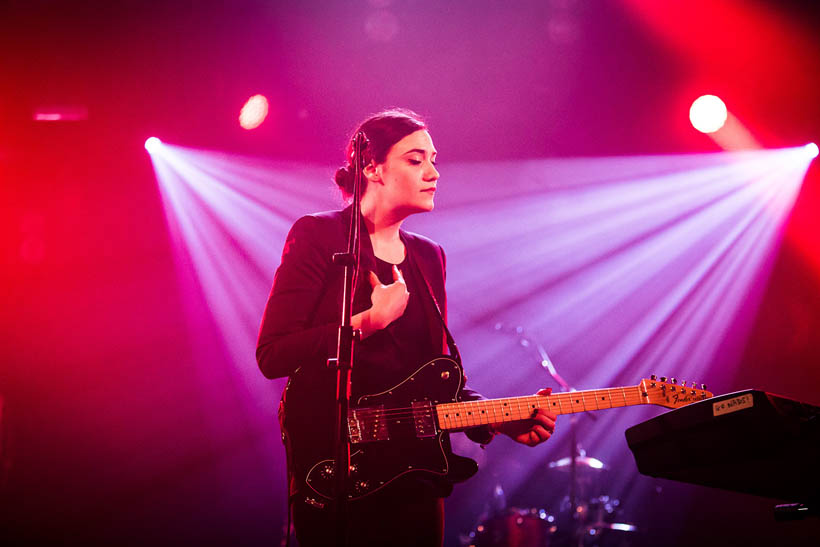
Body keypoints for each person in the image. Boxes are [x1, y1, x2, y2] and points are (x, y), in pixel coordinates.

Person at [256, 109, 557, 546]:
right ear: (371, 167)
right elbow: (273, 354)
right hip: (337, 469)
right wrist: (367, 323)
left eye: (434, 160)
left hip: (415, 480)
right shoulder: (319, 235)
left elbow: (437, 378)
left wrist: (499, 419)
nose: (434, 172)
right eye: (416, 160)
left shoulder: (429, 256)